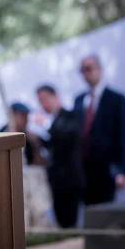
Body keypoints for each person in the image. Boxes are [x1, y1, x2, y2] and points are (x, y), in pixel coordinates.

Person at [73, 55, 125, 205]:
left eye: (88, 69)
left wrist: (122, 170)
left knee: (106, 212)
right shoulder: (79, 100)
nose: (85, 74)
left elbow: (124, 137)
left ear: (99, 69)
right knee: (89, 212)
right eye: (82, 70)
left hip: (107, 169)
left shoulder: (116, 99)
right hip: (84, 171)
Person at [36, 85, 85, 228]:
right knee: (61, 223)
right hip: (56, 181)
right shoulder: (54, 121)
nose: (43, 104)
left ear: (56, 96)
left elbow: (67, 136)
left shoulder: (71, 115)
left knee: (71, 223)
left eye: (45, 99)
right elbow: (53, 145)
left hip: (69, 180)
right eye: (40, 101)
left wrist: (45, 124)